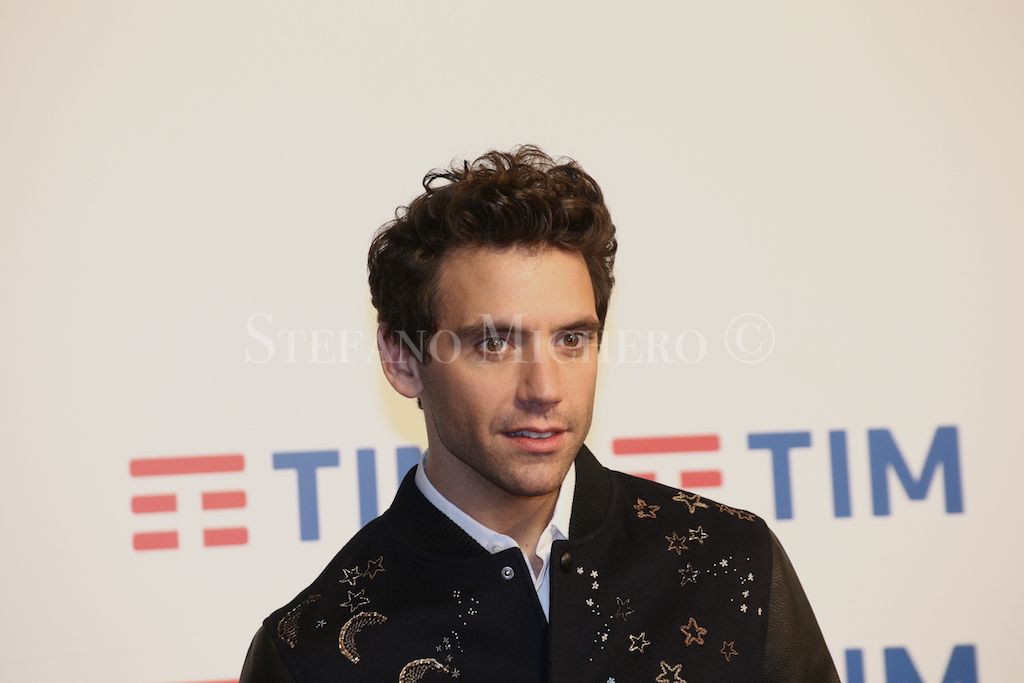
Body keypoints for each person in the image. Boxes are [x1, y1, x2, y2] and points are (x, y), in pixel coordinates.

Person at [240, 146, 839, 682]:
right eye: (494, 344)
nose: (545, 389)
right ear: (402, 360)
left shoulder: (730, 564)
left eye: (572, 340)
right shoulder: (313, 653)